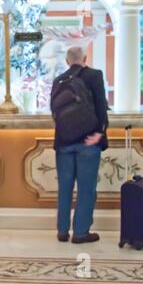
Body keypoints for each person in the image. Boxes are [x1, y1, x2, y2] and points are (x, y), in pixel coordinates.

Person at [51, 47, 109, 244]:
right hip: (88, 141)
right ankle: (81, 232)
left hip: (63, 143)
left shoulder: (58, 80)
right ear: (85, 58)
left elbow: (55, 113)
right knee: (86, 189)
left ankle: (62, 230)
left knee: (64, 188)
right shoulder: (94, 75)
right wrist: (99, 134)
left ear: (67, 61)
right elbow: (101, 107)